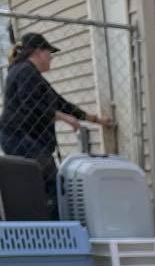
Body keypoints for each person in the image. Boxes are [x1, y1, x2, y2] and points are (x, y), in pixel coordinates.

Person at [1, 34, 110, 215]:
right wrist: (64, 118)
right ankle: (53, 229)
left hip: (24, 139)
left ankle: (47, 227)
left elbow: (60, 103)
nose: (51, 57)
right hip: (19, 138)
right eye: (49, 52)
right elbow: (31, 104)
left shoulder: (32, 75)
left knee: (40, 185)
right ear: (38, 52)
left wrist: (95, 119)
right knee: (52, 184)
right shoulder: (24, 71)